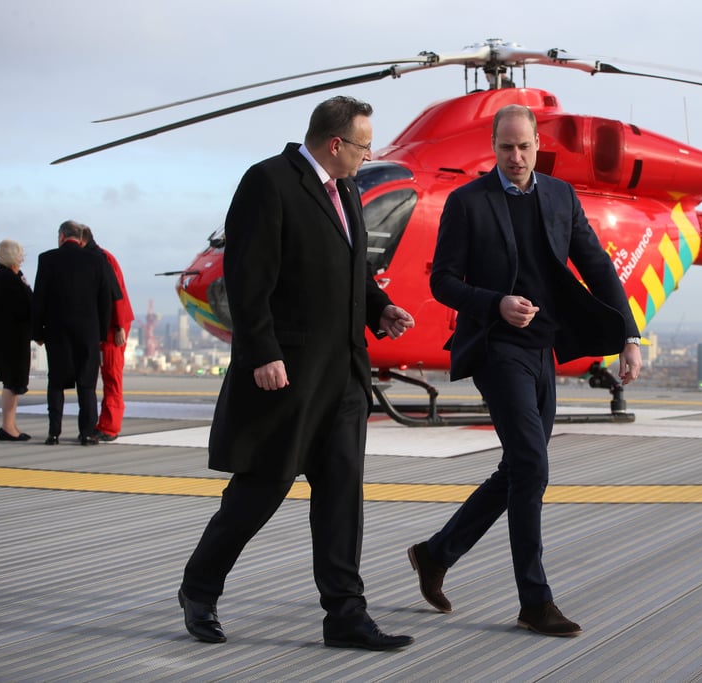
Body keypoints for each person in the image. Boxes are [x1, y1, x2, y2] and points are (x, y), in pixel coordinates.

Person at [178, 95, 416, 651]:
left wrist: (379, 307)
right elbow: (246, 276)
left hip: (346, 375)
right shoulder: (269, 182)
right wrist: (261, 352)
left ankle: (346, 617)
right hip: (287, 372)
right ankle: (199, 587)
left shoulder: (350, 190)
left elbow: (351, 266)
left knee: (341, 496)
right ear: (336, 144)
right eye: (363, 145)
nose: (368, 154)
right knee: (261, 489)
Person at [407, 104, 642, 637]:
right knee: (533, 466)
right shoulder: (467, 202)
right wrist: (495, 303)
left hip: (544, 348)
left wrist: (628, 336)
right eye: (506, 147)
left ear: (538, 146)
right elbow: (442, 281)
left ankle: (435, 553)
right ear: (494, 147)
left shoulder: (561, 196)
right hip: (494, 347)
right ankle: (535, 601)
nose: (515, 157)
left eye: (524, 147)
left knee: (517, 467)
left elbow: (598, 266)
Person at [31, 220, 112, 446]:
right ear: (80, 237)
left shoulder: (47, 259)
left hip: (57, 331)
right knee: (87, 385)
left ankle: (53, 432)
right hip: (88, 332)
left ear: (61, 236)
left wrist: (37, 331)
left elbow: (39, 299)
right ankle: (86, 433)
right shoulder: (97, 260)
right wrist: (101, 333)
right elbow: (105, 300)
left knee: (56, 383)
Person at [80, 227, 134, 442]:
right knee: (109, 375)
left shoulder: (102, 259)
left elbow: (115, 293)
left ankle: (110, 426)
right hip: (109, 324)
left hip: (113, 327)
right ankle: (105, 422)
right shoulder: (101, 257)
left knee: (112, 375)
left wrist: (119, 326)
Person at [0, 239, 33, 441]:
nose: (22, 257)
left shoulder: (10, 276)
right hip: (11, 339)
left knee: (13, 383)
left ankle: (11, 426)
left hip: (12, 338)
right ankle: (8, 427)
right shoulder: (6, 279)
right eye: (20, 253)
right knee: (12, 382)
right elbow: (22, 306)